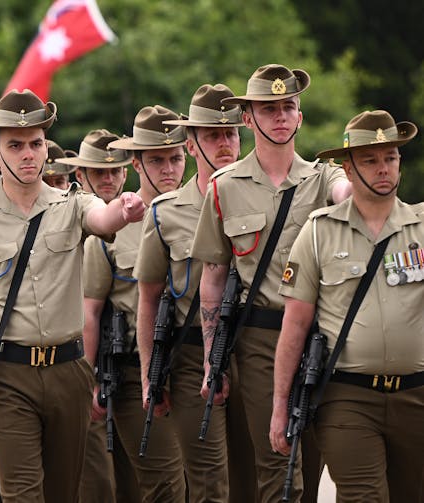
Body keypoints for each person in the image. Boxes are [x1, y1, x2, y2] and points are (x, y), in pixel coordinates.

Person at [0, 89, 145, 502]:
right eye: (15, 145)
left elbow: (103, 217)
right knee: (22, 494)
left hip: (69, 371)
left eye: (35, 144)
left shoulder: (72, 205)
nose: (28, 154)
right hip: (7, 378)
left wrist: (125, 208)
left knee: (64, 492)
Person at [191, 64, 353, 502]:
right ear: (248, 118)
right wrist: (212, 358)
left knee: (318, 459)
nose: (280, 116)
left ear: (300, 116)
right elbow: (214, 275)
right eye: (268, 108)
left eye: (288, 107)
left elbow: (347, 194)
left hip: (323, 334)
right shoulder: (224, 187)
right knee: (279, 466)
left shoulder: (324, 178)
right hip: (261, 338)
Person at [271, 110, 424, 502]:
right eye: (370, 160)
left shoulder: (422, 227)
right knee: (362, 497)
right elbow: (295, 325)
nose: (383, 168)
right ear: (348, 168)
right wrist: (279, 407)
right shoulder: (320, 231)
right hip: (347, 398)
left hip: (416, 396)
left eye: (390, 158)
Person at [133, 87, 246, 502]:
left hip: (252, 350)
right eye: (213, 135)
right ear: (192, 143)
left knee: (253, 475)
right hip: (189, 356)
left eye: (231, 133)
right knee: (207, 483)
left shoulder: (263, 202)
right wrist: (150, 373)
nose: (225, 143)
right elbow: (148, 299)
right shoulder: (166, 212)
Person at [83, 106, 192, 502]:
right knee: (164, 485)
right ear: (136, 162)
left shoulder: (203, 214)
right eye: (157, 160)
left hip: (194, 366)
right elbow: (90, 313)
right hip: (134, 374)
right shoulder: (112, 231)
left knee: (205, 483)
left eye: (175, 158)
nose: (168, 168)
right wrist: (89, 381)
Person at [55, 128, 137, 503]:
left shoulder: (139, 220)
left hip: (129, 364)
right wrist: (86, 381)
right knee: (96, 485)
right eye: (98, 173)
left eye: (115, 171)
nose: (108, 179)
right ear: (80, 177)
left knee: (135, 479)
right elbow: (87, 313)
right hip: (83, 366)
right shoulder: (62, 223)